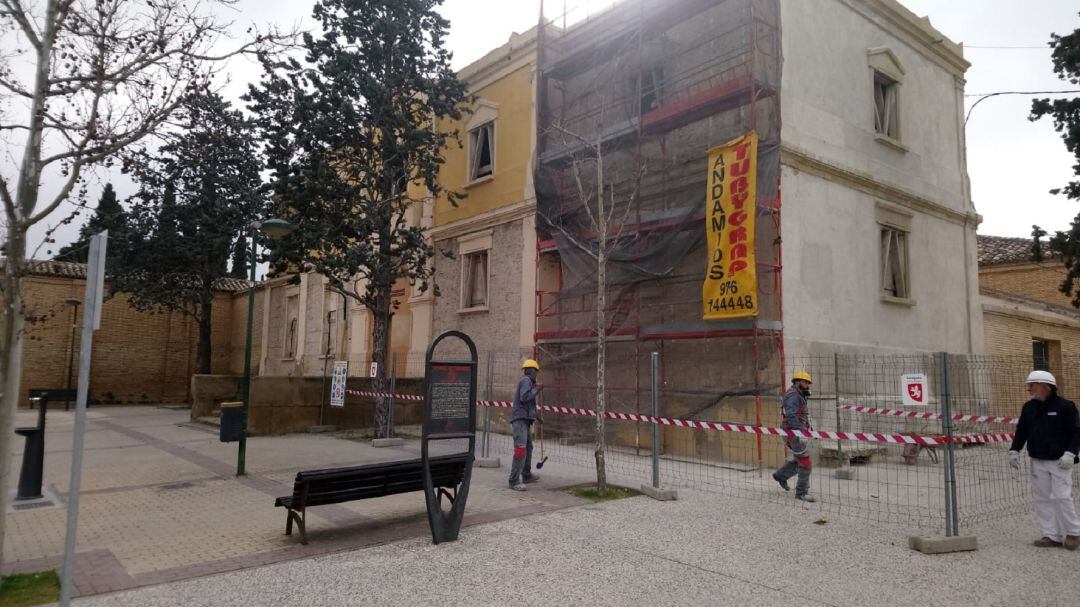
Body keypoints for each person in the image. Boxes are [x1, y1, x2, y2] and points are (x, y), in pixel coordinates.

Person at [1008, 370, 1080, 550]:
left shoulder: (1065, 406)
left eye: (1032, 385)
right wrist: (1014, 450)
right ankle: (1051, 535)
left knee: (1062, 496)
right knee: (1042, 498)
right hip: (1037, 460)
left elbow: (1075, 431)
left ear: (1045, 386)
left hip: (1060, 461)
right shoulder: (1028, 407)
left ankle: (1073, 533)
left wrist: (1071, 453)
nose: (1029, 389)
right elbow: (1022, 430)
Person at [772, 372, 816, 502]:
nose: (808, 385)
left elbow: (802, 415)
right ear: (797, 382)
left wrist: (809, 429)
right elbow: (791, 416)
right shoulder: (793, 396)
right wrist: (799, 432)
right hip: (793, 432)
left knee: (799, 460)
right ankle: (801, 493)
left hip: (795, 431)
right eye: (805, 382)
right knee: (805, 462)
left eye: (808, 383)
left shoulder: (799, 395)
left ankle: (781, 476)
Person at [509, 359, 543, 491]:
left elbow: (529, 404)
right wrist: (537, 390)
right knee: (521, 449)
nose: (536, 375)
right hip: (520, 421)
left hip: (525, 420)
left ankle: (526, 475)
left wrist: (537, 416)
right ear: (532, 371)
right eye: (536, 372)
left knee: (528, 447)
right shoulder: (526, 381)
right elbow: (524, 397)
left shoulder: (529, 383)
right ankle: (513, 480)